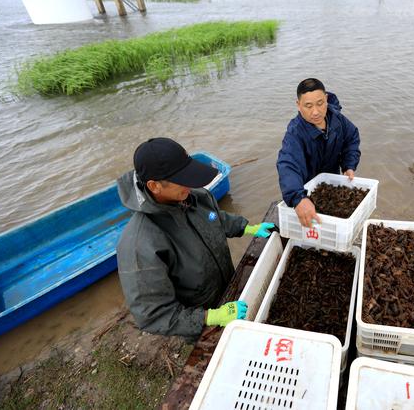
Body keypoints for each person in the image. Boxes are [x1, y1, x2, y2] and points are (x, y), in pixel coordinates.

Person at [116, 137, 274, 339]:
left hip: (227, 289)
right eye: (181, 180)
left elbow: (215, 218)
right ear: (154, 186)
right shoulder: (139, 244)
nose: (190, 184)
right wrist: (209, 317)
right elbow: (153, 315)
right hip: (199, 319)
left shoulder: (195, 197)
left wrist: (248, 228)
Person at [276, 78, 361, 227]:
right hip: (307, 190)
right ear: (298, 105)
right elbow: (287, 164)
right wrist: (298, 198)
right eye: (308, 106)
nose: (315, 112)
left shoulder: (337, 119)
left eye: (320, 103)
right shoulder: (295, 133)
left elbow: (352, 137)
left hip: (331, 185)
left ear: (326, 99)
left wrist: (349, 165)